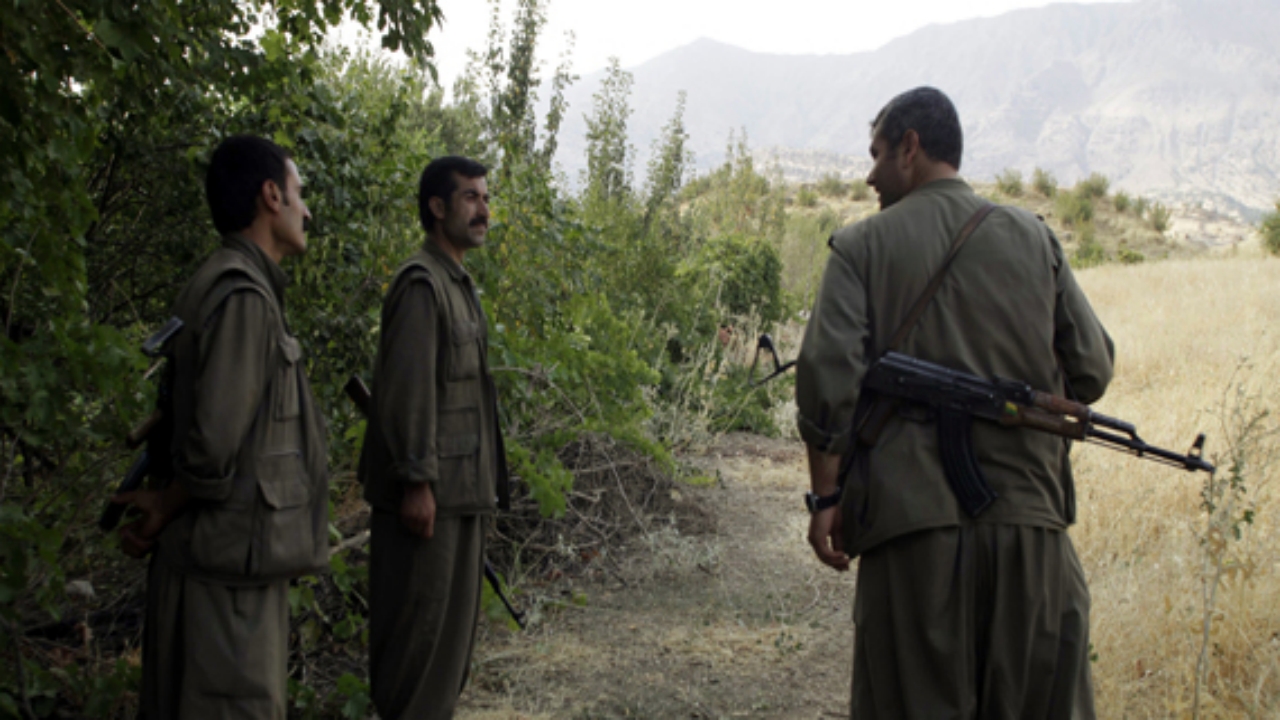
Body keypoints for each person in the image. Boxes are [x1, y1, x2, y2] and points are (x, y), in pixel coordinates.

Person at [795, 87, 1114, 718]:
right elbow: (1092, 370)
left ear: (910, 148)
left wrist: (826, 500)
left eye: (877, 154)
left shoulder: (861, 247)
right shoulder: (1035, 238)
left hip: (912, 541)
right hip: (1034, 540)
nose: (870, 175)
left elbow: (828, 383)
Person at [115, 135, 330, 719]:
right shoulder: (243, 296)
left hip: (222, 563)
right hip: (226, 575)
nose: (307, 211)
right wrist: (165, 505)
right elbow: (212, 447)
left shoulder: (225, 281)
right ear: (271, 196)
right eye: (299, 194)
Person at [359, 155, 509, 720]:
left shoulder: (455, 283)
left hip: (460, 496)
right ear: (437, 207)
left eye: (486, 198)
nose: (483, 209)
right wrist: (417, 482)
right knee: (416, 652)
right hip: (430, 503)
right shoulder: (422, 284)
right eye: (470, 197)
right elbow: (409, 390)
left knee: (447, 657)